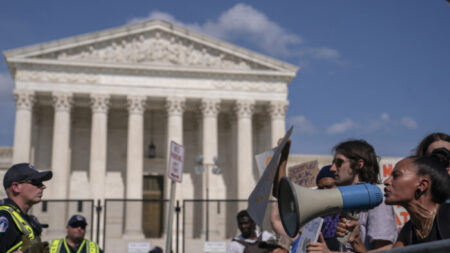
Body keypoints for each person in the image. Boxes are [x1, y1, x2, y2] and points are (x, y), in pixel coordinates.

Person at [307, 140, 397, 253]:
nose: (332, 168)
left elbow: (385, 250)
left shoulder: (377, 201)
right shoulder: (346, 202)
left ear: (359, 164)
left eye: (339, 163)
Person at [384, 148, 450, 247]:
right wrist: (357, 242)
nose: (386, 181)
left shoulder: (448, 215)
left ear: (422, 185)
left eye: (396, 175)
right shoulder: (408, 231)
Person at [0, 163, 52, 253]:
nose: (43, 186)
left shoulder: (28, 220)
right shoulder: (4, 217)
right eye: (36, 182)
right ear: (16, 187)